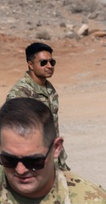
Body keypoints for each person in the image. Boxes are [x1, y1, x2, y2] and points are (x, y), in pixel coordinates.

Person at [7, 42, 69, 170]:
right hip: (35, 164)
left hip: (54, 158)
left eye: (52, 62)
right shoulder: (20, 93)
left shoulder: (48, 88)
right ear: (30, 65)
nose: (49, 66)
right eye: (43, 62)